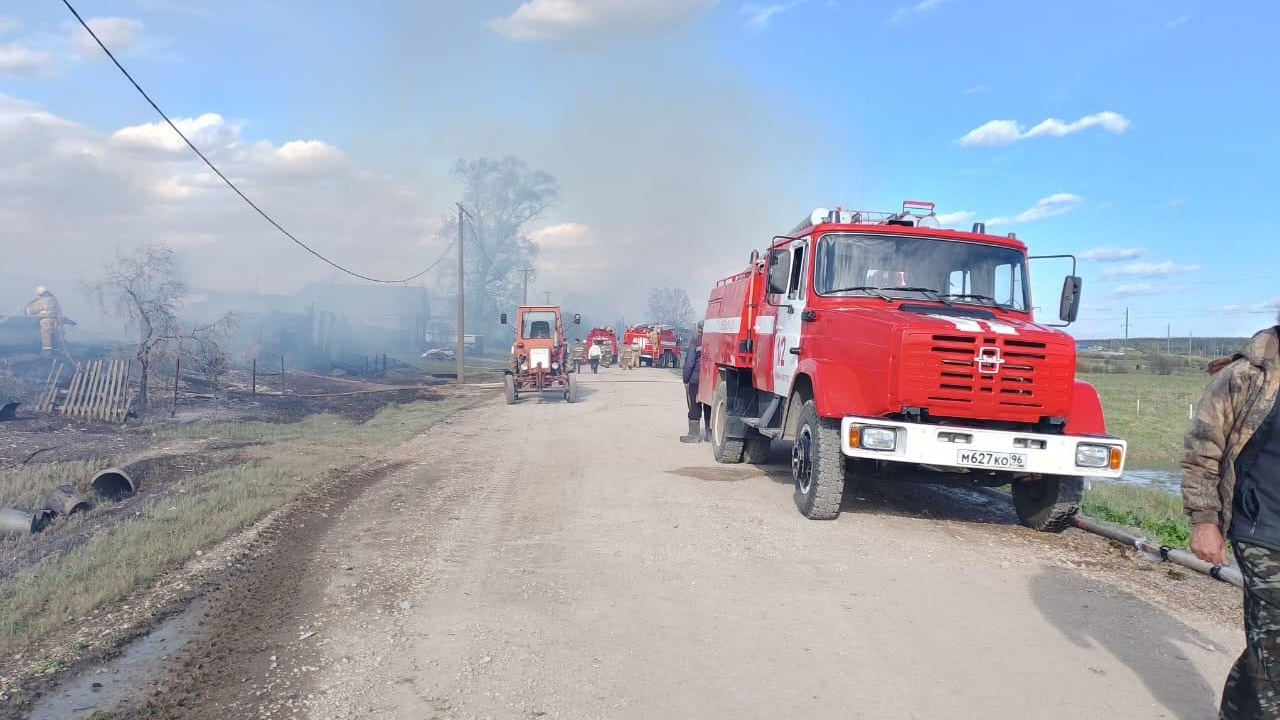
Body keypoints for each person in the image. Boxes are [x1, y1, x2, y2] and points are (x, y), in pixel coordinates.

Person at [1182, 323, 1280, 718]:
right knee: (1274, 642)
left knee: (1267, 640)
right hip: (1263, 526)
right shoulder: (1246, 374)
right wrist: (1205, 520)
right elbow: (1203, 448)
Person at [680, 321, 710, 443]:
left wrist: (685, 379)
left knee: (694, 406)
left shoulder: (695, 342)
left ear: (698, 330)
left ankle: (693, 435)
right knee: (709, 406)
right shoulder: (713, 341)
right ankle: (710, 435)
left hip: (695, 380)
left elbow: (689, 363)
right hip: (709, 379)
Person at [24, 286, 65, 356]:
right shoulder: (52, 299)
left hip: (46, 321)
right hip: (54, 320)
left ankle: (47, 352)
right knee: (54, 334)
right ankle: (57, 350)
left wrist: (26, 309)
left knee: (46, 335)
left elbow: (32, 310)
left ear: (39, 293)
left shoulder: (42, 301)